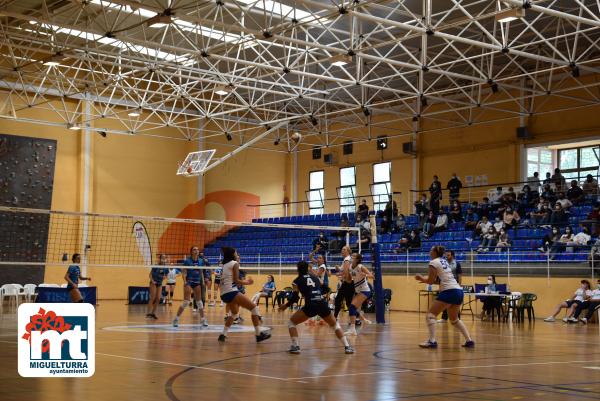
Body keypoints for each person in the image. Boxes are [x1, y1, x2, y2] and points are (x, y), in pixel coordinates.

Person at [278, 260, 354, 354]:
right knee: (335, 324)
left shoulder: (296, 281)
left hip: (310, 304)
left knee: (291, 322)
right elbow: (327, 288)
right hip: (321, 302)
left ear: (298, 269)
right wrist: (317, 293)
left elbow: (295, 298)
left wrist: (285, 306)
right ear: (307, 268)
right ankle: (347, 347)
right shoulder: (315, 278)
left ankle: (295, 346)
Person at [415, 246, 474, 348]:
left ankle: (432, 341)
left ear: (434, 252)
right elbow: (438, 280)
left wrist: (422, 278)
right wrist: (425, 279)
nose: (429, 252)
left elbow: (431, 281)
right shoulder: (444, 261)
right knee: (454, 320)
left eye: (431, 250)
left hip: (449, 291)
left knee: (430, 315)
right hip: (458, 291)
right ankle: (469, 341)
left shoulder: (433, 262)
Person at [218, 247, 271, 342]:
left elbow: (232, 281)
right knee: (254, 308)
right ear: (232, 254)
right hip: (231, 291)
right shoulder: (234, 263)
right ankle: (258, 334)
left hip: (223, 293)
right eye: (236, 252)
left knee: (234, 314)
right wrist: (248, 282)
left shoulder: (224, 265)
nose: (237, 254)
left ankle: (223, 334)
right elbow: (236, 280)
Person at [173, 246, 208, 328]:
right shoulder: (187, 261)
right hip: (189, 281)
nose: (196, 251)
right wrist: (185, 282)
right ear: (191, 251)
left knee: (199, 302)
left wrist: (202, 281)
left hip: (197, 282)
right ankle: (176, 319)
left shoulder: (201, 261)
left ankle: (203, 320)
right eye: (194, 249)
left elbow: (201, 272)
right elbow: (184, 272)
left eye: (197, 249)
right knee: (186, 302)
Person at [345, 253, 374, 336]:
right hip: (358, 290)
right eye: (351, 256)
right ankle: (363, 321)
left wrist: (365, 274)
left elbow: (372, 276)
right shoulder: (350, 267)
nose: (351, 257)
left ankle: (352, 329)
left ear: (357, 259)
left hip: (365, 290)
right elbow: (350, 279)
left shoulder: (361, 266)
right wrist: (345, 278)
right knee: (354, 309)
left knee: (351, 307)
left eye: (353, 256)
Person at [439, 250, 463, 322]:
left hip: (454, 285)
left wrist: (459, 285)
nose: (446, 256)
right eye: (446, 255)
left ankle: (457, 318)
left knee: (455, 302)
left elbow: (459, 275)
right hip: (445, 285)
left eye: (448, 255)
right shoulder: (444, 263)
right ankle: (444, 318)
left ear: (452, 256)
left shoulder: (457, 264)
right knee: (445, 301)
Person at [334, 246, 355, 320]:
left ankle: (334, 317)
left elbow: (346, 272)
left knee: (338, 300)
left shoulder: (347, 260)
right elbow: (346, 270)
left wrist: (341, 276)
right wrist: (339, 270)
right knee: (349, 303)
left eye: (344, 249)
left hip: (348, 283)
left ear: (348, 251)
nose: (342, 250)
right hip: (350, 283)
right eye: (342, 249)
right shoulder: (348, 259)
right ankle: (357, 319)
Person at [146, 254, 168, 319]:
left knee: (158, 298)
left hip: (159, 283)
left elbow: (166, 275)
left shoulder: (166, 268)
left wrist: (165, 277)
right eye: (162, 258)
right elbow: (150, 275)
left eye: (164, 258)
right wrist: (152, 281)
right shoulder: (156, 266)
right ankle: (148, 313)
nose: (163, 259)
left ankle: (153, 313)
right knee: (153, 297)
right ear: (160, 259)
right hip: (154, 282)